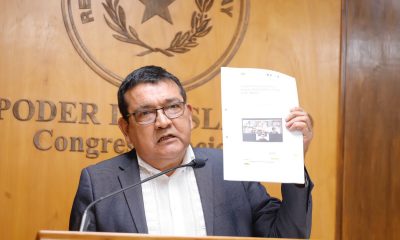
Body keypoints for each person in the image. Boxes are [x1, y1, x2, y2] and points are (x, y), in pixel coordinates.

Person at [69, 65, 314, 238]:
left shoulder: (231, 169)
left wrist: (291, 160)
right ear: (126, 128)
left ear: (189, 114)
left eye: (172, 107)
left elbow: (286, 237)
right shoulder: (100, 184)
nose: (163, 121)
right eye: (145, 113)